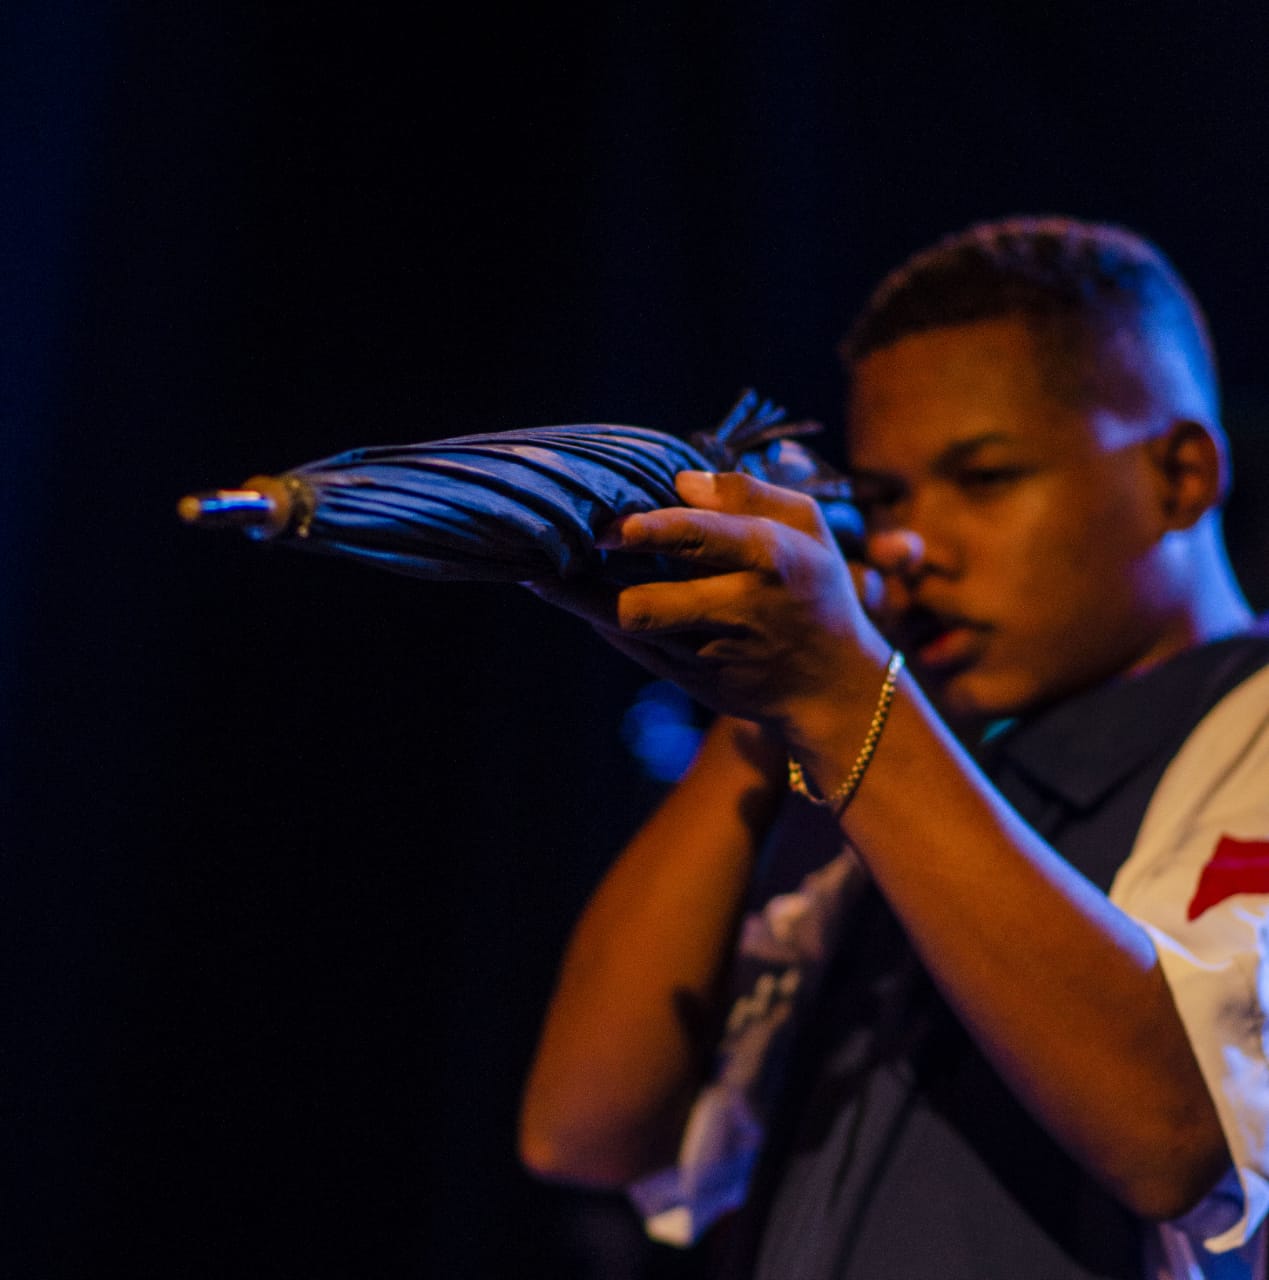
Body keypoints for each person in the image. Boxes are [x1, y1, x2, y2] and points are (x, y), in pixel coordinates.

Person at [517, 216, 1269, 1278]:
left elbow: (1178, 1134)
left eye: (986, 477)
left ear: (1181, 475)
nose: (909, 545)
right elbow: (584, 1131)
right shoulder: (907, 780)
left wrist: (839, 688)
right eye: (884, 501)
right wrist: (755, 716)